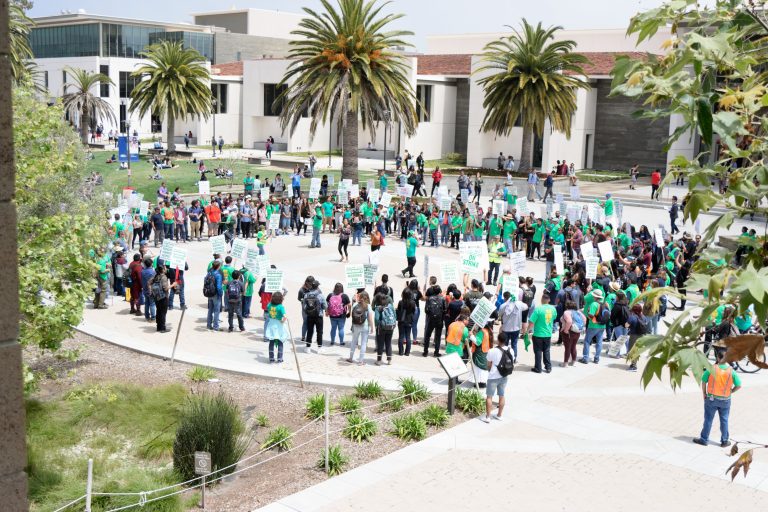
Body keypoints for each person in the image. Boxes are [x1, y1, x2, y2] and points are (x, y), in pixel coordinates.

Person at [692, 341, 741, 447]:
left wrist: (704, 393)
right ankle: (724, 441)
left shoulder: (711, 369)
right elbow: (739, 385)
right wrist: (731, 391)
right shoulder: (731, 371)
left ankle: (704, 439)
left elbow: (704, 381)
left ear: (718, 358)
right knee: (724, 420)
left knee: (708, 419)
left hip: (711, 399)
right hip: (725, 400)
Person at [481, 332, 512, 423]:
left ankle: (488, 417)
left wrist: (490, 370)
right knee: (501, 395)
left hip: (493, 376)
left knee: (489, 397)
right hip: (504, 376)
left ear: (498, 340)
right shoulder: (511, 350)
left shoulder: (492, 350)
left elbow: (488, 363)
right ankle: (499, 415)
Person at [527, 292, 556, 373]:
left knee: (538, 351)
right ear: (549, 300)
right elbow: (554, 318)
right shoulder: (553, 309)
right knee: (547, 350)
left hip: (538, 334)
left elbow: (532, 322)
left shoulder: (538, 309)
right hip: (548, 333)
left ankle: (538, 368)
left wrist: (527, 331)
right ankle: (548, 367)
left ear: (541, 300)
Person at [498, 291, 527, 361]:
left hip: (506, 329)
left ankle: (505, 358)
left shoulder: (503, 306)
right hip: (516, 328)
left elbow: (499, 315)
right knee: (514, 344)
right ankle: (514, 358)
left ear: (505, 298)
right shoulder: (518, 304)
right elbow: (526, 307)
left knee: (505, 345)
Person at [347, 291, 374, 365]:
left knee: (353, 341)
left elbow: (353, 315)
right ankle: (360, 361)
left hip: (356, 326)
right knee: (363, 343)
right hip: (364, 326)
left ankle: (350, 358)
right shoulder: (368, 306)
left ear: (360, 297)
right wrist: (372, 327)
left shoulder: (355, 304)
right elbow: (370, 318)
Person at [148, 264, 175, 333]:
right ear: (162, 270)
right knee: (163, 313)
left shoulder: (155, 275)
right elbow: (165, 288)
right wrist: (173, 285)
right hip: (163, 297)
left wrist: (151, 291)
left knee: (158, 311)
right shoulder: (164, 277)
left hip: (156, 297)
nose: (166, 269)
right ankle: (163, 328)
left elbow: (149, 283)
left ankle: (158, 327)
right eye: (165, 268)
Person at [423, 277, 445, 357]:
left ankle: (425, 352)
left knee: (427, 336)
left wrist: (430, 315)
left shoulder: (429, 299)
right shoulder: (442, 299)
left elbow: (426, 310)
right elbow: (444, 310)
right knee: (438, 337)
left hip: (431, 320)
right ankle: (436, 352)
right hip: (439, 320)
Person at [559, 300, 585, 367]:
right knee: (573, 347)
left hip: (569, 332)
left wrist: (566, 330)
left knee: (567, 347)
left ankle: (565, 363)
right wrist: (580, 327)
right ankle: (573, 362)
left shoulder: (567, 312)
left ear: (567, 306)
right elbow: (585, 319)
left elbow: (569, 321)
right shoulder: (578, 312)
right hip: (577, 331)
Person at [303, 279, 327, 350]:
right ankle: (319, 348)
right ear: (317, 286)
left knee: (310, 331)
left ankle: (308, 348)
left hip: (309, 316)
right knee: (319, 331)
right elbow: (325, 306)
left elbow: (304, 307)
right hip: (319, 316)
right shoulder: (321, 295)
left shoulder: (306, 295)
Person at [373, 291, 396, 365]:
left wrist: (377, 325)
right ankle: (389, 360)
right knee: (388, 343)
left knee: (380, 343)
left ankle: (379, 360)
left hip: (381, 328)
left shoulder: (378, 308)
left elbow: (376, 319)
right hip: (390, 327)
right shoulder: (390, 306)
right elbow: (395, 316)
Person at [265, 292, 288, 363]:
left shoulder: (269, 305)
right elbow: (285, 316)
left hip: (271, 324)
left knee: (271, 341)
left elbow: (266, 312)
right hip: (279, 325)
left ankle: (271, 358)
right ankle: (279, 358)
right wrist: (283, 321)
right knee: (280, 341)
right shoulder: (281, 307)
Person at [396, 288, 416, 356]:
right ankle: (407, 352)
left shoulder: (400, 302)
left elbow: (398, 310)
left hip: (401, 320)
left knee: (401, 336)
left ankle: (401, 352)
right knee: (408, 336)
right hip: (409, 320)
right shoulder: (413, 302)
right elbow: (413, 311)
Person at [205, 260, 223, 331]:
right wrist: (220, 293)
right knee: (216, 311)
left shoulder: (209, 273)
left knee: (210, 310)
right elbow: (218, 286)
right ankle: (216, 327)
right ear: (218, 266)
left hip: (209, 293)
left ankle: (209, 325)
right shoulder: (218, 275)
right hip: (216, 294)